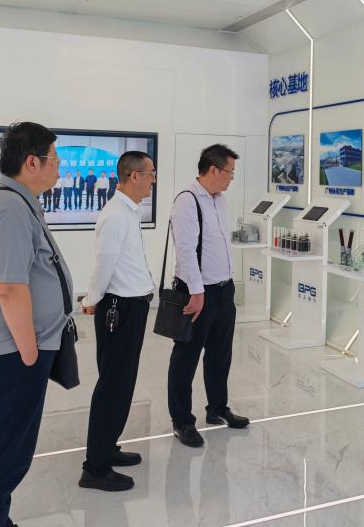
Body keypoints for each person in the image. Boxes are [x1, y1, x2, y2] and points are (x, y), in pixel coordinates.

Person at [0, 122, 72, 527]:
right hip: (10, 354)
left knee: (2, 453)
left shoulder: (17, 202)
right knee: (3, 460)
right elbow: (9, 288)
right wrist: (28, 352)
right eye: (54, 159)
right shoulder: (8, 208)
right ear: (32, 162)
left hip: (12, 353)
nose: (59, 167)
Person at [78, 151, 158, 491]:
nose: (154, 179)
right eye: (151, 173)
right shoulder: (115, 215)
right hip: (119, 309)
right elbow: (104, 263)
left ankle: (107, 447)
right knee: (113, 386)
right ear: (134, 176)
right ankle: (95, 468)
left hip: (132, 307)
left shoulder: (128, 212)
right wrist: (91, 300)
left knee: (122, 383)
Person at [166, 143, 248, 448]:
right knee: (186, 357)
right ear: (213, 169)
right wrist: (198, 293)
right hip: (197, 293)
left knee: (220, 354)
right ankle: (182, 421)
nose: (232, 178)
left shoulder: (220, 201)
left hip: (224, 290)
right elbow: (186, 252)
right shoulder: (187, 201)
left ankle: (217, 408)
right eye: (230, 172)